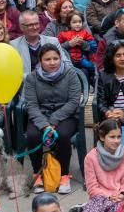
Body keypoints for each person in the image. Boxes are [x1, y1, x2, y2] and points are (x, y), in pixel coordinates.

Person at [24, 44, 82, 195]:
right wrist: (44, 126)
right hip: (40, 116)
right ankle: (37, 175)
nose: (52, 62)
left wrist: (54, 121)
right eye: (47, 59)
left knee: (63, 135)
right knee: (32, 135)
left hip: (66, 115)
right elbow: (32, 105)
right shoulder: (31, 78)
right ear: (40, 61)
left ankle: (64, 175)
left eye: (55, 58)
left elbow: (74, 101)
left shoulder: (70, 74)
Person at [81, 119, 124, 212]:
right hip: (100, 199)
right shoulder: (91, 157)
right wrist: (109, 196)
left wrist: (121, 194)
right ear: (102, 137)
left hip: (121, 197)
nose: (116, 141)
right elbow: (92, 187)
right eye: (112, 137)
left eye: (119, 137)